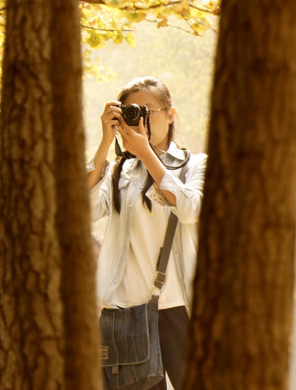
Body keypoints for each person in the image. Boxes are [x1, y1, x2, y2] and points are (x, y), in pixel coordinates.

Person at [88, 76, 206, 390]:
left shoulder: (194, 165)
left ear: (171, 114)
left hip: (180, 307)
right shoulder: (117, 171)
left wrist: (146, 154)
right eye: (130, 111)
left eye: (147, 110)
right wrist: (104, 143)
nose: (140, 118)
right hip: (126, 311)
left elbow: (191, 208)